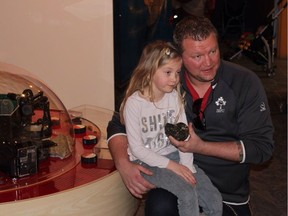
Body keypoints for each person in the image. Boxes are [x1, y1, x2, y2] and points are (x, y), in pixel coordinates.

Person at [107, 15, 274, 216]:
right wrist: (123, 163)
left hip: (228, 192)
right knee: (160, 208)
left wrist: (200, 147)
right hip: (175, 176)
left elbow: (262, 149)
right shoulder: (166, 81)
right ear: (181, 57)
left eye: (213, 51)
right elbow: (119, 122)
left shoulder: (245, 82)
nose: (208, 62)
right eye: (197, 56)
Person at [119, 40, 222, 216]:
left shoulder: (173, 97)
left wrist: (187, 167)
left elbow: (183, 137)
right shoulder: (134, 104)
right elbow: (136, 149)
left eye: (177, 72)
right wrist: (174, 166)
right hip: (146, 161)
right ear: (150, 71)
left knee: (214, 199)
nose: (174, 79)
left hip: (172, 155)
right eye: (168, 72)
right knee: (187, 195)